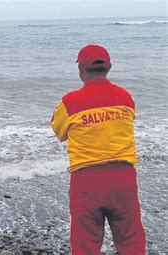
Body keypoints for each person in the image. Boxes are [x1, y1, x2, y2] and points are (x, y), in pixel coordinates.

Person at [50, 44, 146, 254]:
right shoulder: (126, 98)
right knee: (131, 240)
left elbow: (59, 132)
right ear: (108, 67)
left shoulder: (70, 102)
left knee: (85, 243)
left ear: (81, 70)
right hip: (124, 178)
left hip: (87, 180)